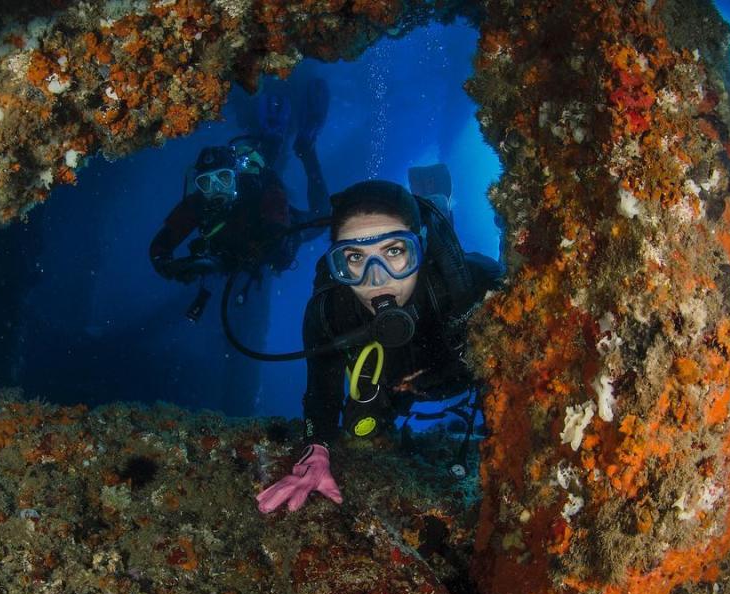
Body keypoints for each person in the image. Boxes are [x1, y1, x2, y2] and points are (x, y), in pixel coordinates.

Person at [256, 179, 503, 514]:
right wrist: (317, 452)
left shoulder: (475, 283)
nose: (376, 279)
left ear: (420, 248)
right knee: (363, 434)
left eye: (395, 251)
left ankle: (439, 204)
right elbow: (322, 394)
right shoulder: (329, 315)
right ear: (338, 265)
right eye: (355, 257)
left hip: (463, 371)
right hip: (397, 387)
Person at [149, 80, 331, 315]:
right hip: (248, 247)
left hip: (282, 227)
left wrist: (261, 243)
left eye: (223, 179)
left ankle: (305, 147)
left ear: (234, 177)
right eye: (206, 183)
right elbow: (160, 244)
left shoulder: (258, 189)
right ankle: (273, 138)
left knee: (323, 217)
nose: (216, 190)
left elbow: (276, 227)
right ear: (199, 186)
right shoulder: (198, 203)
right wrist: (167, 265)